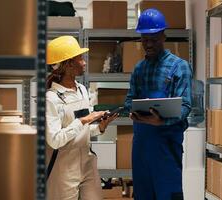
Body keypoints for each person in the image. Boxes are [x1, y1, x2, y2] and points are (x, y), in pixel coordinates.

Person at [124, 9, 193, 200]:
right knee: (143, 195)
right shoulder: (139, 69)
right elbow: (129, 100)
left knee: (167, 195)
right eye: (145, 39)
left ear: (163, 36)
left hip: (166, 147)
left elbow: (185, 106)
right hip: (141, 146)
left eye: (153, 39)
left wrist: (161, 121)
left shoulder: (179, 67)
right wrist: (132, 111)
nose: (148, 44)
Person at [45, 35, 118, 200]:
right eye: (80, 59)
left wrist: (100, 127)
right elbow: (55, 140)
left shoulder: (82, 90)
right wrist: (84, 120)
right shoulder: (51, 98)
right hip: (63, 167)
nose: (84, 63)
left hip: (87, 161)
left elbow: (83, 131)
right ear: (68, 64)